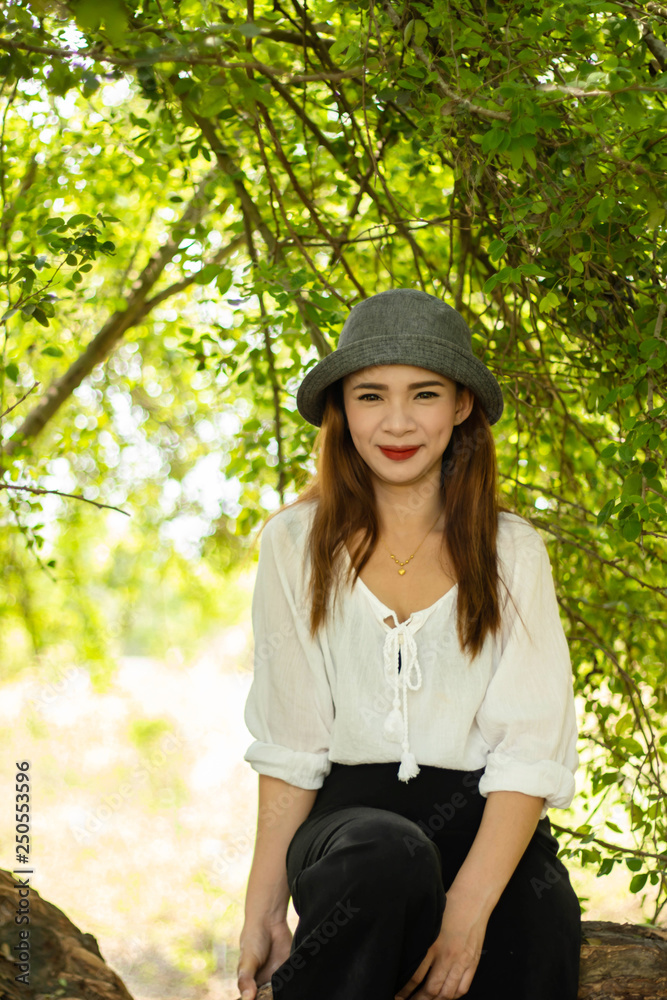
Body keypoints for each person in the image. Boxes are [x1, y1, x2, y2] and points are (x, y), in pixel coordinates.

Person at [237, 288, 581, 1000]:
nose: (397, 422)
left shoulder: (512, 550)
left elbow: (528, 749)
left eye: (424, 394)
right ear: (342, 408)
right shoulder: (293, 544)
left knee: (530, 927)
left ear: (460, 406)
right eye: (371, 396)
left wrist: (467, 909)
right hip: (349, 834)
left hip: (490, 830)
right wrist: (263, 909)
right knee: (386, 856)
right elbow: (292, 742)